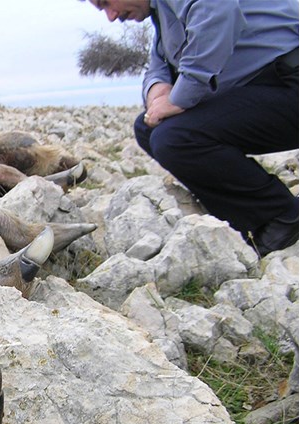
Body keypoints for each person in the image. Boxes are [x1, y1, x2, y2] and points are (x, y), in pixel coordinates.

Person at [82, 0, 299, 256]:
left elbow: (220, 11)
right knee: (150, 129)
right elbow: (159, 63)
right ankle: (242, 222)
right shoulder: (162, 12)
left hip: (288, 80)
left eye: (106, 2)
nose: (111, 16)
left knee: (174, 138)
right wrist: (156, 91)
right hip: (265, 88)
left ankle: (282, 216)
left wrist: (180, 97)